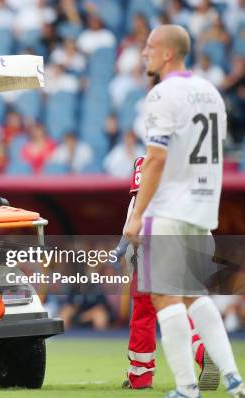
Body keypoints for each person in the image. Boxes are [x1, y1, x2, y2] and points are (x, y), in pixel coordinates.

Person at [123, 25, 244, 398]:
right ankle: (234, 379)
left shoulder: (162, 94)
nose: (143, 53)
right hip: (203, 205)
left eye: (149, 47)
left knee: (162, 295)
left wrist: (136, 214)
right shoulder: (211, 91)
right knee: (193, 293)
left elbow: (156, 159)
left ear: (167, 54)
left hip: (171, 204)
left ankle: (186, 388)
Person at [118, 157, 219, 391]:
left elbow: (135, 216)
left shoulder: (148, 162)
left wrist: (123, 249)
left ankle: (140, 375)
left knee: (145, 313)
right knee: (187, 304)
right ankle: (204, 350)